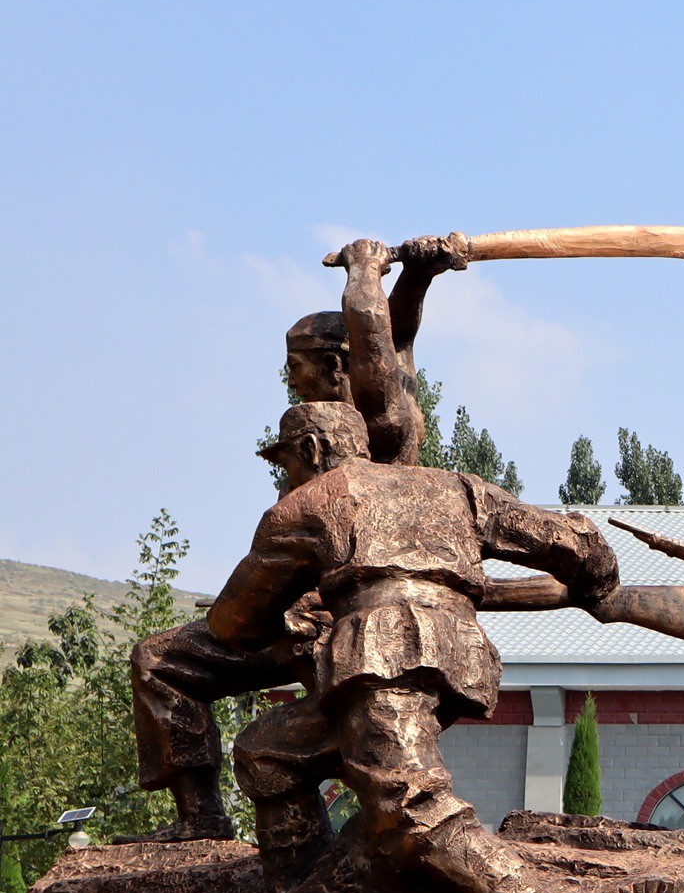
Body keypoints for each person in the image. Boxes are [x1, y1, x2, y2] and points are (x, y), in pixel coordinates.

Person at [210, 400, 619, 893]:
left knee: (409, 803)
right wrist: (598, 584)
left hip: (384, 655)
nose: (287, 476)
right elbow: (576, 541)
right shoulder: (455, 488)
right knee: (267, 751)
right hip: (456, 654)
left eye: (288, 463)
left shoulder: (308, 503)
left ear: (312, 451)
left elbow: (230, 623)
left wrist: (302, 599)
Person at [126, 235, 465, 841]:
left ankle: (212, 820)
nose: (289, 378)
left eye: (295, 365)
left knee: (163, 663)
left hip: (336, 623)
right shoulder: (349, 419)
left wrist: (365, 269)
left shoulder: (381, 423)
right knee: (175, 667)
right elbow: (397, 337)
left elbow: (381, 338)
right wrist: (419, 275)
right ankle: (214, 820)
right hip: (308, 612)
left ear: (336, 365)